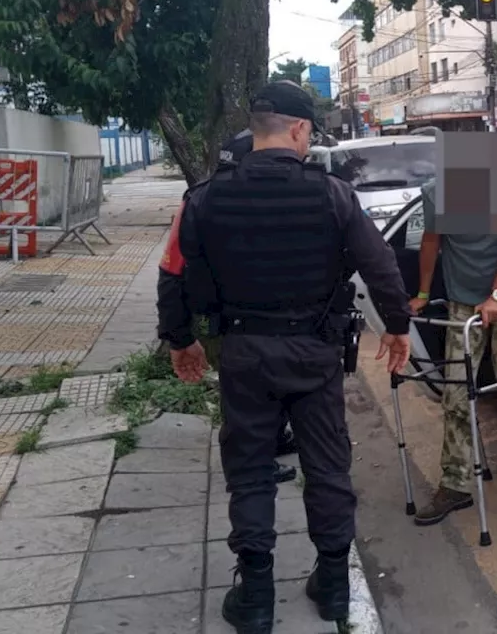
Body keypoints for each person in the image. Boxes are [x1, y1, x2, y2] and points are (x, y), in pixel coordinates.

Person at [171, 81, 413, 634]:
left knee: (250, 470)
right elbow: (379, 265)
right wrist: (398, 326)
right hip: (313, 352)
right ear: (299, 128)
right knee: (327, 466)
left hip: (243, 352)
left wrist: (179, 338)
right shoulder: (331, 194)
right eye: (310, 135)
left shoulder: (207, 195)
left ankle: (255, 596)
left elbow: (179, 272)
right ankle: (332, 584)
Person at [157, 129, 298, 486]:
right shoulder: (288, 199)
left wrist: (179, 336)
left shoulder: (198, 202)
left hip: (228, 325)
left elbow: (171, 273)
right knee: (253, 401)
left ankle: (267, 447)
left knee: (247, 396)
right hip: (279, 326)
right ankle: (253, 464)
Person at [407, 175, 497, 525]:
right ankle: (455, 484)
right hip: (462, 301)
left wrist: (495, 297)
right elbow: (430, 242)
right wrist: (422, 294)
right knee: (455, 395)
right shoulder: (435, 193)